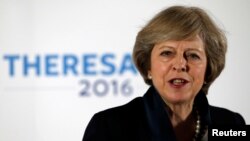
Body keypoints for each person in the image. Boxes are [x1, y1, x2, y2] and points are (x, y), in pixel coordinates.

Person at [82, 5, 245, 141]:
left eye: (193, 55)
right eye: (167, 53)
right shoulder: (108, 127)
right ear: (148, 67)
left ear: (208, 69)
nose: (180, 64)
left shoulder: (232, 124)